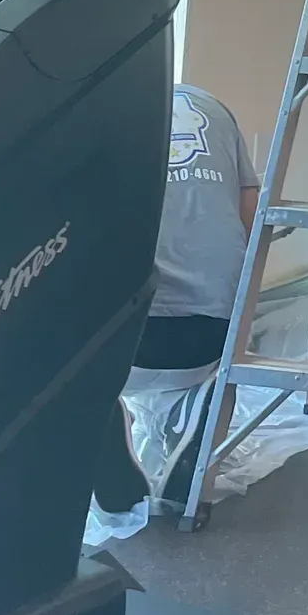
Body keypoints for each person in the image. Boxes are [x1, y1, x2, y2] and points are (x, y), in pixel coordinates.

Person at [93, 82, 260, 514]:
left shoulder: (98, 108)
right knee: (227, 368)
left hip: (127, 341)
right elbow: (248, 211)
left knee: (76, 360)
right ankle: (199, 460)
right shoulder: (213, 104)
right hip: (211, 331)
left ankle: (102, 417)